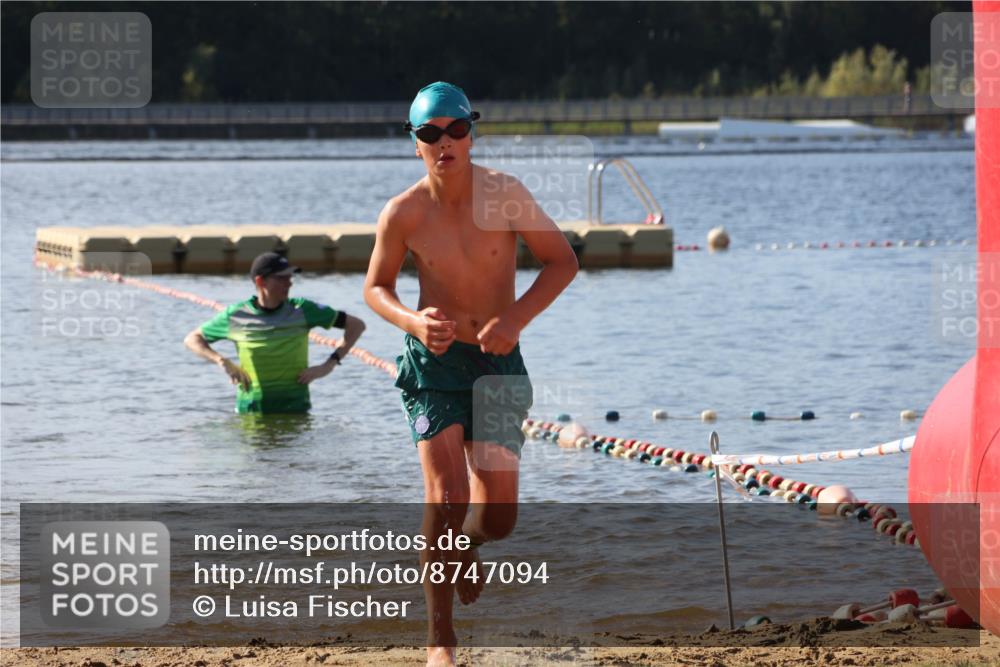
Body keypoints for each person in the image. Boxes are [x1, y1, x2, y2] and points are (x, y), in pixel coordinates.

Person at [364, 81, 578, 666]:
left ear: (471, 132)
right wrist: (411, 321)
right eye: (430, 133)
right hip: (433, 364)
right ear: (415, 143)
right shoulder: (403, 212)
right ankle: (440, 640)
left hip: (499, 362)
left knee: (499, 518)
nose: (445, 142)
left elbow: (564, 261)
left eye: (456, 130)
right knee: (447, 494)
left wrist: (514, 318)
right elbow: (375, 287)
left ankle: (466, 549)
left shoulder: (506, 195)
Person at [185, 251, 365, 414]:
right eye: (281, 278)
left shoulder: (302, 309)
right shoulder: (235, 315)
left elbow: (356, 326)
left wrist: (329, 364)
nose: (290, 283)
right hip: (251, 412)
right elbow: (193, 339)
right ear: (260, 281)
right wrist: (221, 360)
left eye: (290, 277)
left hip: (296, 410)